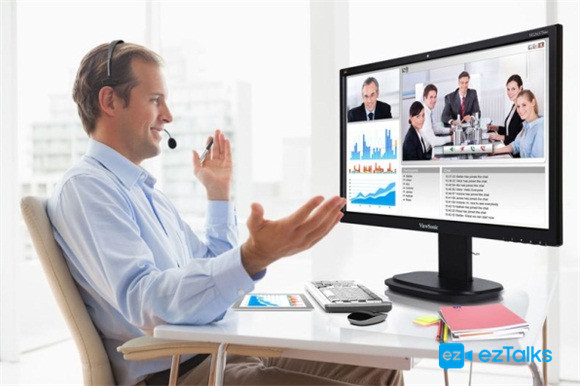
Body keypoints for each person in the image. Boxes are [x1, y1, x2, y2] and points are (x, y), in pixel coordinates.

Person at [47, 41, 403, 386]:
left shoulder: (144, 192)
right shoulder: (88, 188)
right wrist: (252, 257)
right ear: (109, 100)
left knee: (382, 368)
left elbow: (212, 276)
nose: (168, 115)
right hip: (177, 373)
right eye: (156, 100)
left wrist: (218, 195)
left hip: (220, 351)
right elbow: (147, 303)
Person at [493, 89, 544, 158]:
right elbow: (515, 145)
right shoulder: (526, 125)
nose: (520, 110)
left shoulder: (540, 129)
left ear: (533, 103)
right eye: (518, 106)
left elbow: (536, 162)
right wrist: (494, 151)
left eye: (524, 105)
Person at [487, 74, 524, 148]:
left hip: (515, 152)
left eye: (513, 89)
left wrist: (499, 137)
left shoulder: (523, 110)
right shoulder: (514, 106)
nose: (510, 92)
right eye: (508, 89)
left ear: (520, 88)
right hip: (508, 146)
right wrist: (496, 128)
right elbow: (509, 130)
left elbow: (517, 138)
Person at [420, 84, 453, 151]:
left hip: (428, 148)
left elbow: (434, 128)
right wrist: (451, 138)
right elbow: (433, 141)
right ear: (424, 98)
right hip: (424, 153)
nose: (434, 100)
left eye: (435, 97)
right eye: (431, 97)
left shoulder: (428, 111)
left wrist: (450, 130)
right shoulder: (424, 115)